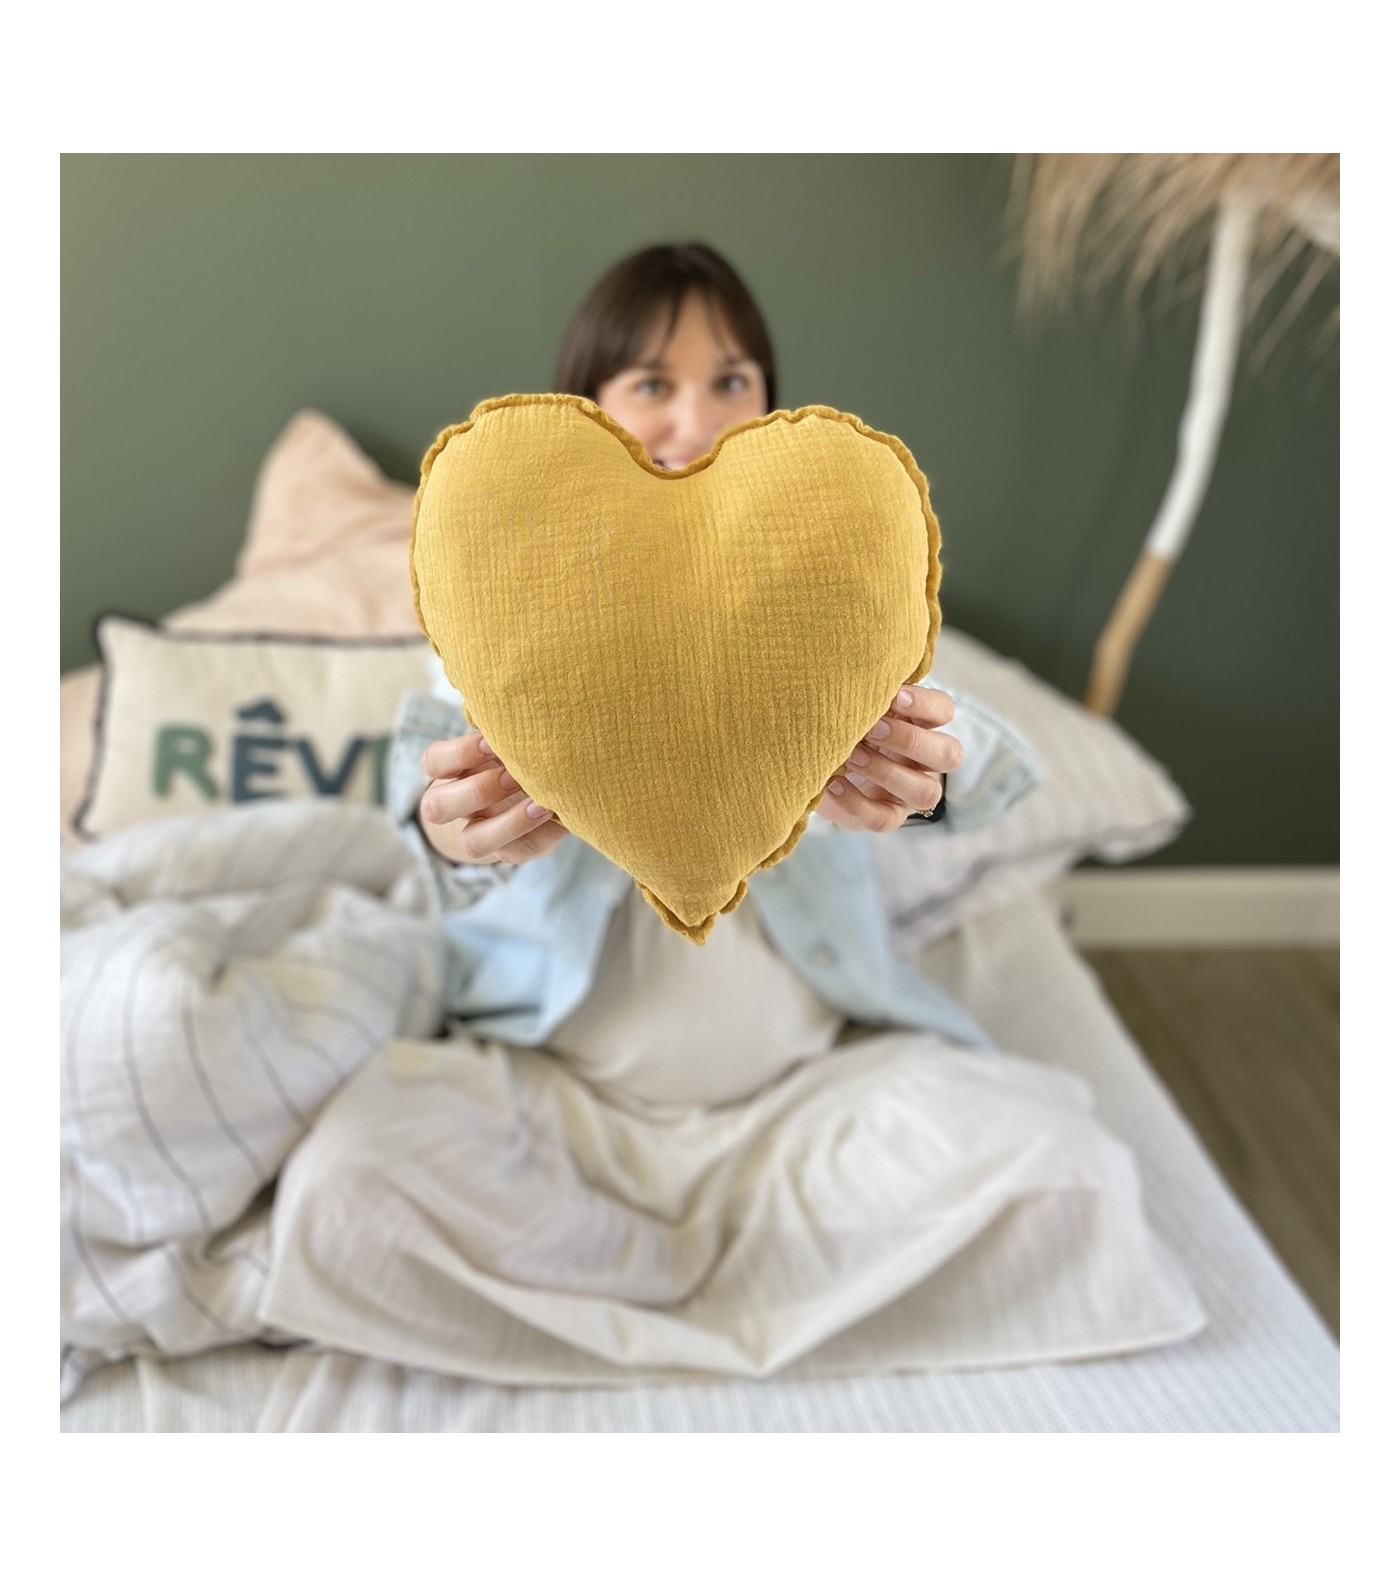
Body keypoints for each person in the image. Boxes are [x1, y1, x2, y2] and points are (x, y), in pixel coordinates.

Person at [415, 241, 966, 872]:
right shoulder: (498, 590)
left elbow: (954, 754)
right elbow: (424, 786)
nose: (697, 423)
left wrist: (925, 789)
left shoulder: (844, 573)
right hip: (557, 930)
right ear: (585, 403)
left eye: (730, 382)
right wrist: (455, 835)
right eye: (652, 384)